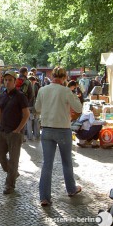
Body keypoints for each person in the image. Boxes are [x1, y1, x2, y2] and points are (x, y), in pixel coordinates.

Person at [35, 66, 83, 206]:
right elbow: (79, 108)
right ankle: (71, 189)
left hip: (47, 130)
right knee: (67, 162)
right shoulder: (66, 90)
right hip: (63, 130)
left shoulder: (42, 90)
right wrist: (72, 94)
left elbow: (37, 109)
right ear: (64, 78)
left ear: (53, 76)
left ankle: (44, 197)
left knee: (47, 165)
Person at [0, 70, 30, 194]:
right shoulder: (2, 95)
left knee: (14, 159)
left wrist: (18, 130)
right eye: (6, 80)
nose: (7, 82)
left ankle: (10, 185)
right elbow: (0, 111)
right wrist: (0, 125)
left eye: (10, 80)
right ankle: (13, 173)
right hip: (3, 131)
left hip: (15, 133)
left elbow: (26, 114)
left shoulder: (20, 96)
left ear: (15, 81)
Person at [26, 73, 40, 140]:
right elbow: (38, 97)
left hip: (29, 106)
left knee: (29, 122)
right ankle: (36, 135)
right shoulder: (36, 87)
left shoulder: (26, 86)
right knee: (36, 121)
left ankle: (30, 136)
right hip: (35, 106)